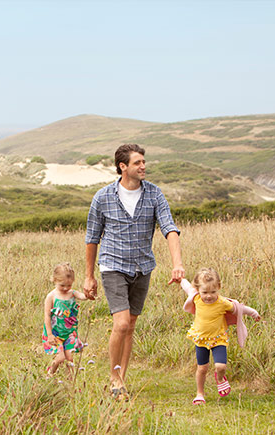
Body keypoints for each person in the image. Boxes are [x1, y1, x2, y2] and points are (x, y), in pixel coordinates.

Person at [84, 143, 184, 399]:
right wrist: (89, 276)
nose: (143, 166)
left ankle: (121, 380)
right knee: (121, 323)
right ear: (123, 167)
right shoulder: (103, 197)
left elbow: (169, 229)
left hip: (142, 266)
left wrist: (177, 263)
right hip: (112, 265)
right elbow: (92, 238)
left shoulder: (154, 194)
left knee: (131, 326)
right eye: (137, 162)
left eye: (143, 162)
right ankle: (114, 378)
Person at [179, 267, 261, 405]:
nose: (209, 296)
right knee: (202, 368)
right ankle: (200, 393)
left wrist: (253, 313)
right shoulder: (197, 298)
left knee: (221, 366)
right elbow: (187, 287)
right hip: (201, 340)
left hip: (218, 340)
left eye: (213, 292)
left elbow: (239, 308)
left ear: (219, 287)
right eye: (205, 292)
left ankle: (220, 378)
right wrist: (180, 279)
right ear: (199, 290)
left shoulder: (223, 303)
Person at [42, 263, 90, 377]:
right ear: (54, 280)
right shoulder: (51, 296)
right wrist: (49, 334)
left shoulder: (72, 293)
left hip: (69, 333)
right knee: (60, 357)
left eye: (69, 285)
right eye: (62, 285)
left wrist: (90, 294)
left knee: (70, 357)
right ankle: (50, 373)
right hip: (55, 333)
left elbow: (83, 296)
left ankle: (70, 380)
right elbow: (47, 316)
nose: (65, 288)